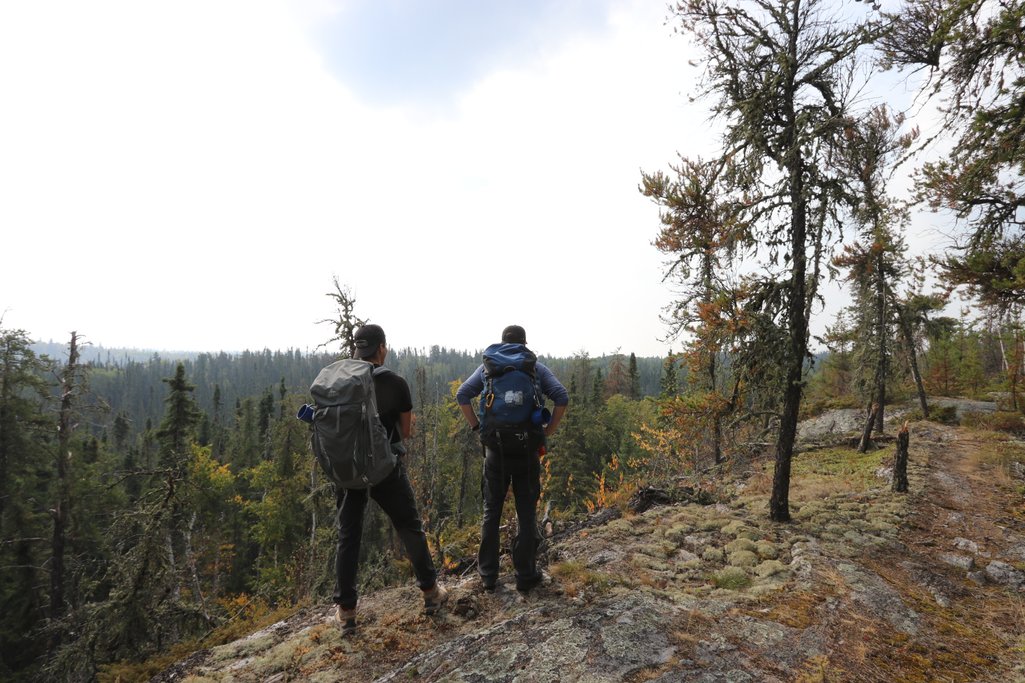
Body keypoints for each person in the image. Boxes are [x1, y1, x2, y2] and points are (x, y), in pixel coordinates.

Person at [333, 324, 447, 634]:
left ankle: (347, 612)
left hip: (349, 470)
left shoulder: (338, 380)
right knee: (409, 526)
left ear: (357, 349)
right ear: (381, 348)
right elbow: (406, 433)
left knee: (348, 536)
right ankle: (430, 594)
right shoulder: (395, 383)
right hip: (385, 468)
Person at [456, 325, 569, 593]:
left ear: (502, 343)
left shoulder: (488, 367)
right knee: (527, 511)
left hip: (495, 450)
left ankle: (488, 576)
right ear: (524, 344)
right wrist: (548, 431)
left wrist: (476, 429)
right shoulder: (535, 367)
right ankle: (526, 574)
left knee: (491, 511)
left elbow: (462, 394)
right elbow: (561, 396)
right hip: (527, 449)